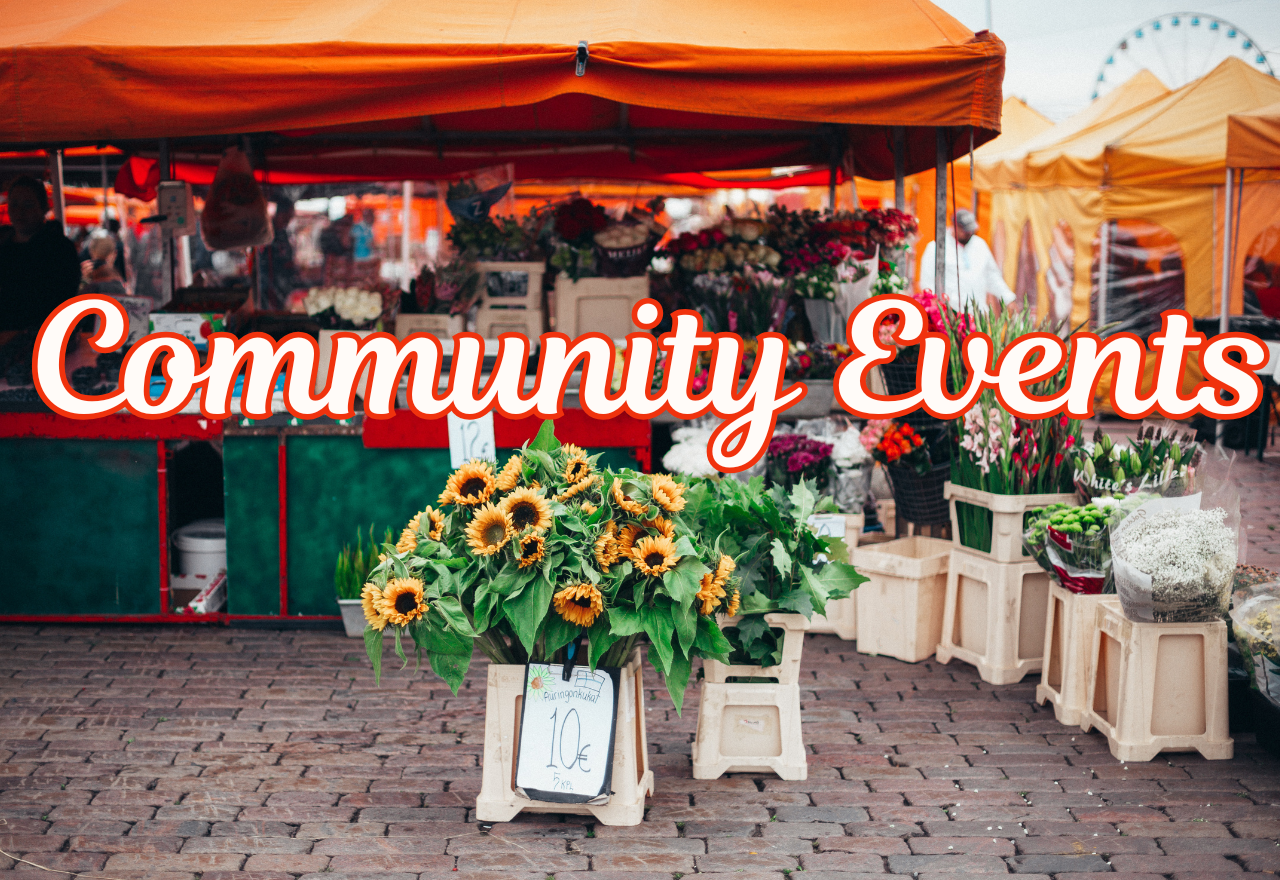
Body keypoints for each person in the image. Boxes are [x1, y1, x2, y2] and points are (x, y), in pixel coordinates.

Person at [0, 176, 83, 331]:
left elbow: (60, 299)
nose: (20, 212)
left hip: (43, 337)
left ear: (44, 208)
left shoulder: (59, 249)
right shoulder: (4, 245)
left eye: (28, 205)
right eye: (14, 204)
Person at [919, 209, 1016, 312]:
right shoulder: (936, 247)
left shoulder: (980, 245)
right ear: (955, 226)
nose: (969, 233)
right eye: (965, 230)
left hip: (978, 312)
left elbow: (992, 276)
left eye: (971, 230)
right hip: (950, 314)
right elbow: (927, 282)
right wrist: (938, 309)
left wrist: (1008, 298)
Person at [259, 197, 300, 311]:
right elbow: (264, 259)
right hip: (270, 282)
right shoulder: (268, 231)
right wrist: (284, 264)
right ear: (282, 213)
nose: (290, 219)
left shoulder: (283, 232)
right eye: (289, 215)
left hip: (282, 282)